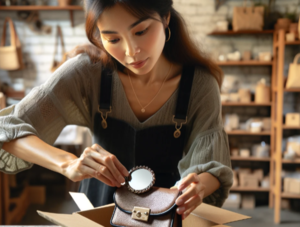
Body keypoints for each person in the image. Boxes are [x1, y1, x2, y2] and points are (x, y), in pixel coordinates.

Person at [0, 0, 233, 220]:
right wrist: (67, 163)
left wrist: (198, 186)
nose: (131, 52)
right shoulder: (87, 72)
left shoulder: (199, 85)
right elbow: (6, 129)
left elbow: (213, 163)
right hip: (98, 206)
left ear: (166, 17)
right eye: (113, 39)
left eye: (141, 31)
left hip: (165, 208)